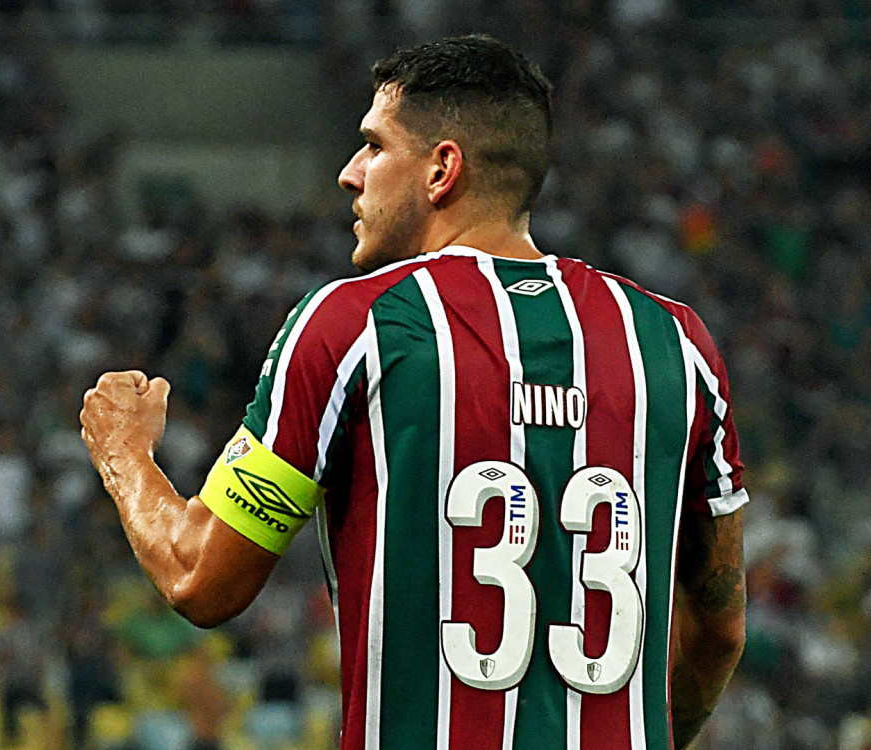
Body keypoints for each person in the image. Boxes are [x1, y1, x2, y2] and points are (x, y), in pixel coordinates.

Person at [80, 35, 746, 750]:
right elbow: (720, 627)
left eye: (373, 146)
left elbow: (199, 579)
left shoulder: (353, 326)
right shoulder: (675, 343)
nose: (349, 174)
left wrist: (125, 454)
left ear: (441, 169)